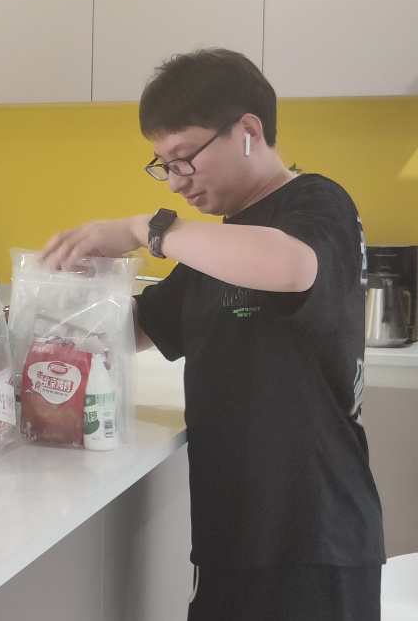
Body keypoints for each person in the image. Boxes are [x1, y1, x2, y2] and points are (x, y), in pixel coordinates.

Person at [42, 48, 384, 621]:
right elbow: (140, 325)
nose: (176, 184)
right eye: (164, 166)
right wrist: (44, 314)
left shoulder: (317, 202)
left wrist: (144, 230)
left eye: (184, 159)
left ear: (248, 131)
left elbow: (292, 267)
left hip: (313, 540)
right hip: (231, 536)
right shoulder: (220, 244)